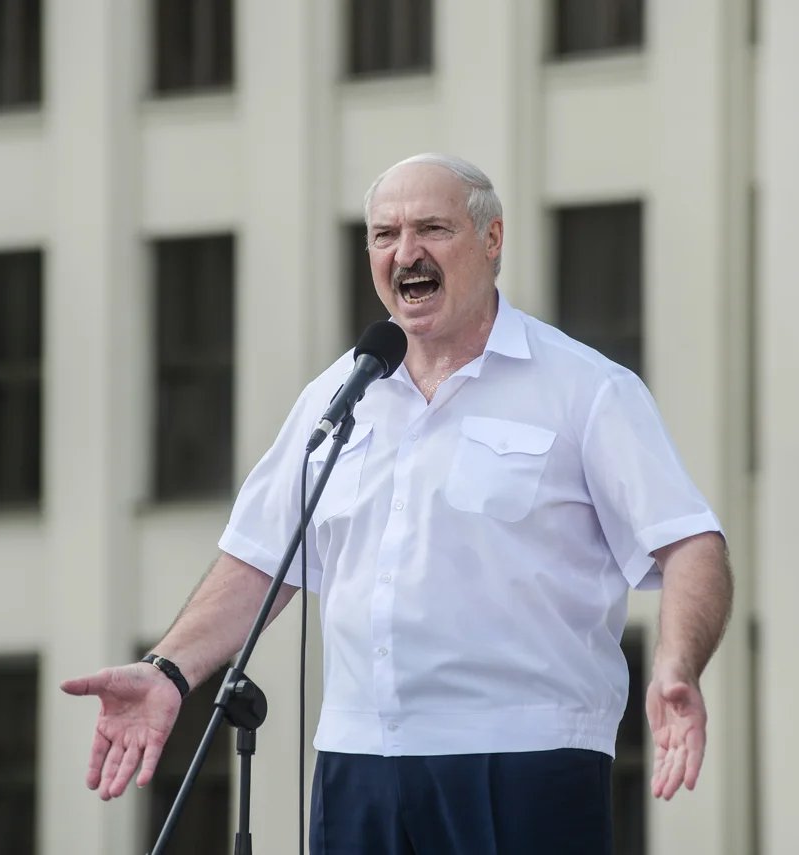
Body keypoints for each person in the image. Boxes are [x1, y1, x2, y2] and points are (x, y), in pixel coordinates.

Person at [62, 153, 733, 854]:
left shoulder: (584, 389)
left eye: (432, 229)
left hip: (525, 762)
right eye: (384, 235)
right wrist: (169, 668)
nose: (405, 252)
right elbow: (260, 559)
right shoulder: (337, 396)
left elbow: (690, 542)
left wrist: (677, 665)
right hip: (358, 766)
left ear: (492, 239)